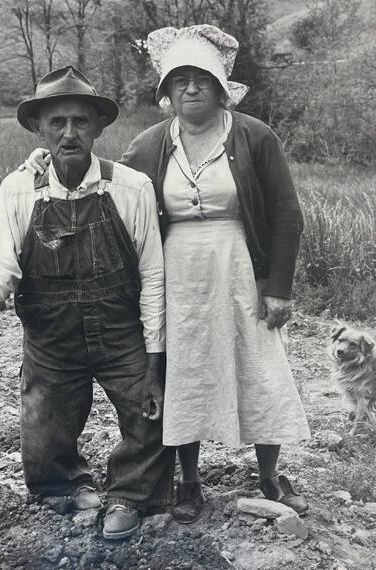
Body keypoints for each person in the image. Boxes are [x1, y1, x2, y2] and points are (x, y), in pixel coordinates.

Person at [22, 25, 311, 524]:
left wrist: (278, 287)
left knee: (260, 370)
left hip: (239, 266)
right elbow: (105, 180)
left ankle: (269, 476)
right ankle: (188, 482)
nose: (191, 88)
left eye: (202, 78)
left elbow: (286, 211)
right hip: (176, 272)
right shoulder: (152, 143)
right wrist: (47, 160)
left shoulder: (254, 135)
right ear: (166, 92)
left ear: (222, 87)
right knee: (183, 372)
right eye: (180, 80)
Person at [0, 65, 175, 540]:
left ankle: (131, 495)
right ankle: (63, 488)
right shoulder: (18, 189)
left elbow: (154, 277)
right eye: (57, 122)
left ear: (97, 127)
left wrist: (155, 360)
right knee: (43, 420)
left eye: (80, 121)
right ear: (39, 128)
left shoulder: (130, 187)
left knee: (149, 412)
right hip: (50, 333)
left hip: (121, 331)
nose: (69, 133)